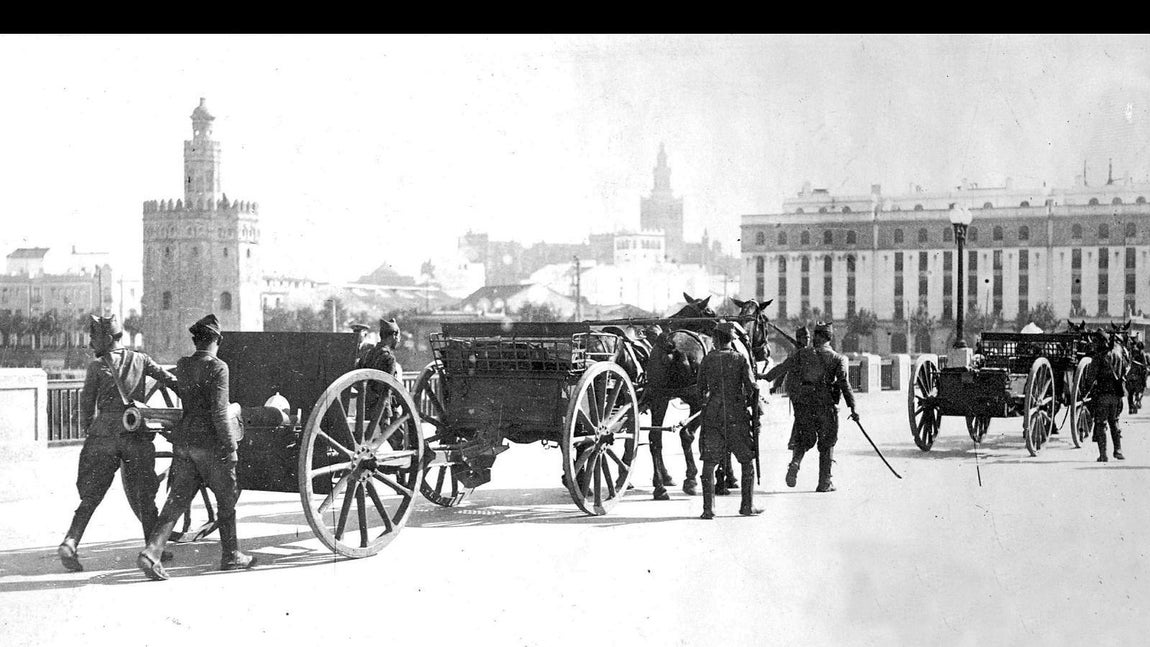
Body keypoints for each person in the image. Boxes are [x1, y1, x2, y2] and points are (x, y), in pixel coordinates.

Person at [57, 315, 179, 572]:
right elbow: (172, 381)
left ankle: (70, 542)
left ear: (108, 338)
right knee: (145, 495)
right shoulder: (142, 359)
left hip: (103, 436)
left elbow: (86, 408)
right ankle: (153, 546)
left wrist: (92, 431)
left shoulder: (96, 367)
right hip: (134, 432)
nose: (91, 344)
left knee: (91, 497)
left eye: (94, 338)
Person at [137, 314, 254, 580]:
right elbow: (220, 412)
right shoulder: (219, 368)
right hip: (211, 445)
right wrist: (231, 446)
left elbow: (183, 393)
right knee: (226, 499)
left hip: (185, 443)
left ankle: (152, 553)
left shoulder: (183, 364)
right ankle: (232, 555)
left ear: (196, 340)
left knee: (176, 500)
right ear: (216, 340)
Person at [695, 321, 762, 519]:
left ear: (715, 339)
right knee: (746, 460)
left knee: (709, 462)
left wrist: (706, 406)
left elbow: (699, 389)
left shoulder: (707, 359)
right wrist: (755, 410)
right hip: (736, 414)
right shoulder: (740, 359)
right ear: (732, 340)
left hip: (713, 414)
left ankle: (709, 509)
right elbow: (753, 387)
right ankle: (747, 506)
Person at [783, 321, 858, 492]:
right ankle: (824, 482)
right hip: (826, 405)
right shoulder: (837, 358)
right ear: (829, 338)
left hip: (804, 404)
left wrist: (765, 376)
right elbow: (844, 384)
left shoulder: (803, 353)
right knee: (827, 442)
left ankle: (795, 463)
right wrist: (853, 408)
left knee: (803, 438)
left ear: (816, 336)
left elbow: (784, 367)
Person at [763, 325, 811, 467]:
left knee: (801, 417)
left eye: (808, 338)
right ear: (799, 339)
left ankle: (794, 441)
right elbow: (783, 370)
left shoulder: (805, 352)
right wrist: (776, 386)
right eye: (804, 338)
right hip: (797, 390)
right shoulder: (795, 353)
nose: (806, 340)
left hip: (804, 390)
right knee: (801, 417)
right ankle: (794, 441)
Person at [1085, 333, 1127, 462]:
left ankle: (1103, 455)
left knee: (1100, 424)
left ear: (1102, 342)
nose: (1094, 344)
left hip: (1102, 395)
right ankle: (1118, 450)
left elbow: (1090, 378)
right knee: (1114, 422)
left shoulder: (1098, 357)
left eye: (1096, 341)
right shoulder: (1119, 355)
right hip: (1116, 395)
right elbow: (1123, 372)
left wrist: (1086, 391)